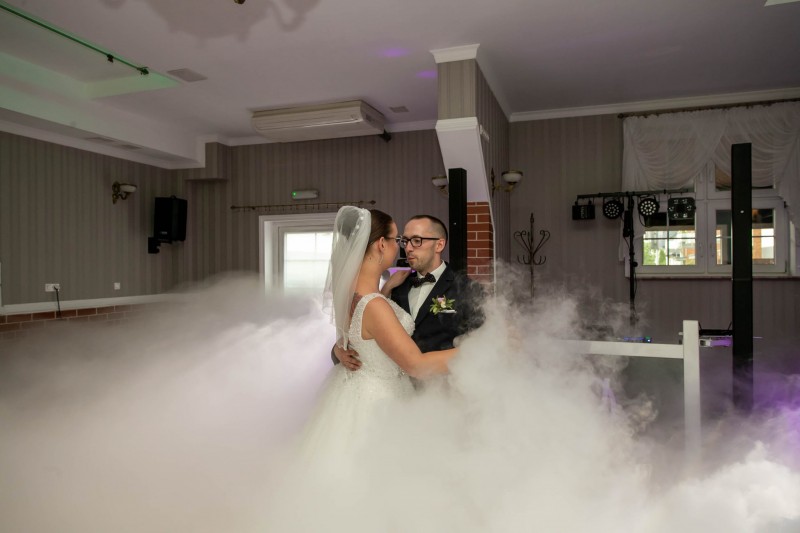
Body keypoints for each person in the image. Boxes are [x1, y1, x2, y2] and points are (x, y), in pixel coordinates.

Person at [298, 207, 458, 463]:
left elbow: (361, 333)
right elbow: (415, 364)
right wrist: (477, 349)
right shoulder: (375, 305)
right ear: (381, 244)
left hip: (356, 397)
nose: (403, 247)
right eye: (398, 240)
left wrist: (386, 290)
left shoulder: (354, 294)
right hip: (382, 403)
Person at [334, 214, 484, 371]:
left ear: (439, 245)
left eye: (417, 241)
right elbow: (363, 330)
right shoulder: (396, 286)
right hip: (395, 381)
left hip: (444, 382)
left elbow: (483, 342)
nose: (408, 248)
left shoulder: (468, 289)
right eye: (405, 241)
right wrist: (337, 350)